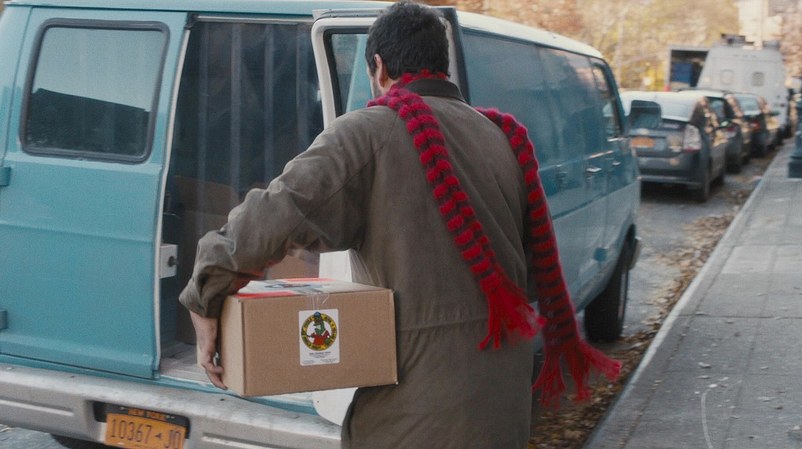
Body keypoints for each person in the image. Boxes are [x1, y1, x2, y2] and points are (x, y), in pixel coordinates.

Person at [179, 2, 619, 448]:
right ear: (443, 67)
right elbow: (530, 277)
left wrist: (204, 295)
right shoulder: (499, 137)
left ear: (379, 66)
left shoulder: (369, 133)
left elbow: (271, 217)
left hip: (418, 412)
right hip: (502, 404)